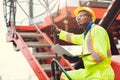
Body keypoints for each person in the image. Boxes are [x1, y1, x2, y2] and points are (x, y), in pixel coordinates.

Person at [54, 7, 114, 80]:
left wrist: (78, 58)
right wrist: (59, 31)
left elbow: (100, 55)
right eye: (77, 17)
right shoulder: (86, 34)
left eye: (81, 16)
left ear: (90, 18)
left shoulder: (97, 30)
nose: (78, 19)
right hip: (90, 71)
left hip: (100, 74)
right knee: (65, 75)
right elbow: (73, 37)